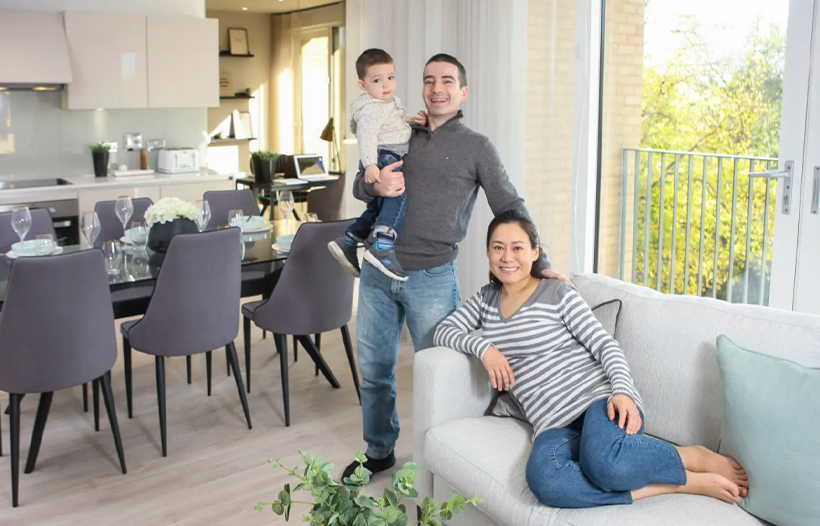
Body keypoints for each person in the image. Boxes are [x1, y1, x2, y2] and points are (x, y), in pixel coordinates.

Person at [341, 54, 568, 480]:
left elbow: (509, 204)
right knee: (373, 372)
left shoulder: (476, 147)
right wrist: (376, 184)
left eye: (447, 81)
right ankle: (379, 450)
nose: (437, 88)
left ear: (463, 91)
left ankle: (439, 462)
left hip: (432, 278)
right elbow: (360, 184)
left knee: (440, 378)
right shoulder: (400, 129)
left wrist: (541, 263)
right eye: (429, 80)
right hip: (377, 271)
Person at [433, 210, 750, 508]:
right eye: (498, 247)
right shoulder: (485, 301)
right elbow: (444, 331)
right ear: (488, 253)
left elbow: (604, 344)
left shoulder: (556, 293)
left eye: (517, 247)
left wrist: (622, 391)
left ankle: (693, 458)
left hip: (599, 401)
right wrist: (484, 349)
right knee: (545, 480)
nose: (507, 257)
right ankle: (673, 485)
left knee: (604, 464)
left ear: (534, 252)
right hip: (552, 423)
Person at [328, 48, 422, 281]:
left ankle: (349, 240)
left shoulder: (385, 102)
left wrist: (413, 120)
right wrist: (371, 165)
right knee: (398, 196)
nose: (386, 84)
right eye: (377, 80)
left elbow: (392, 122)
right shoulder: (371, 108)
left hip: (385, 154)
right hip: (385, 157)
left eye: (390, 77)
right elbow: (367, 136)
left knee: (377, 208)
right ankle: (384, 244)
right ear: (363, 85)